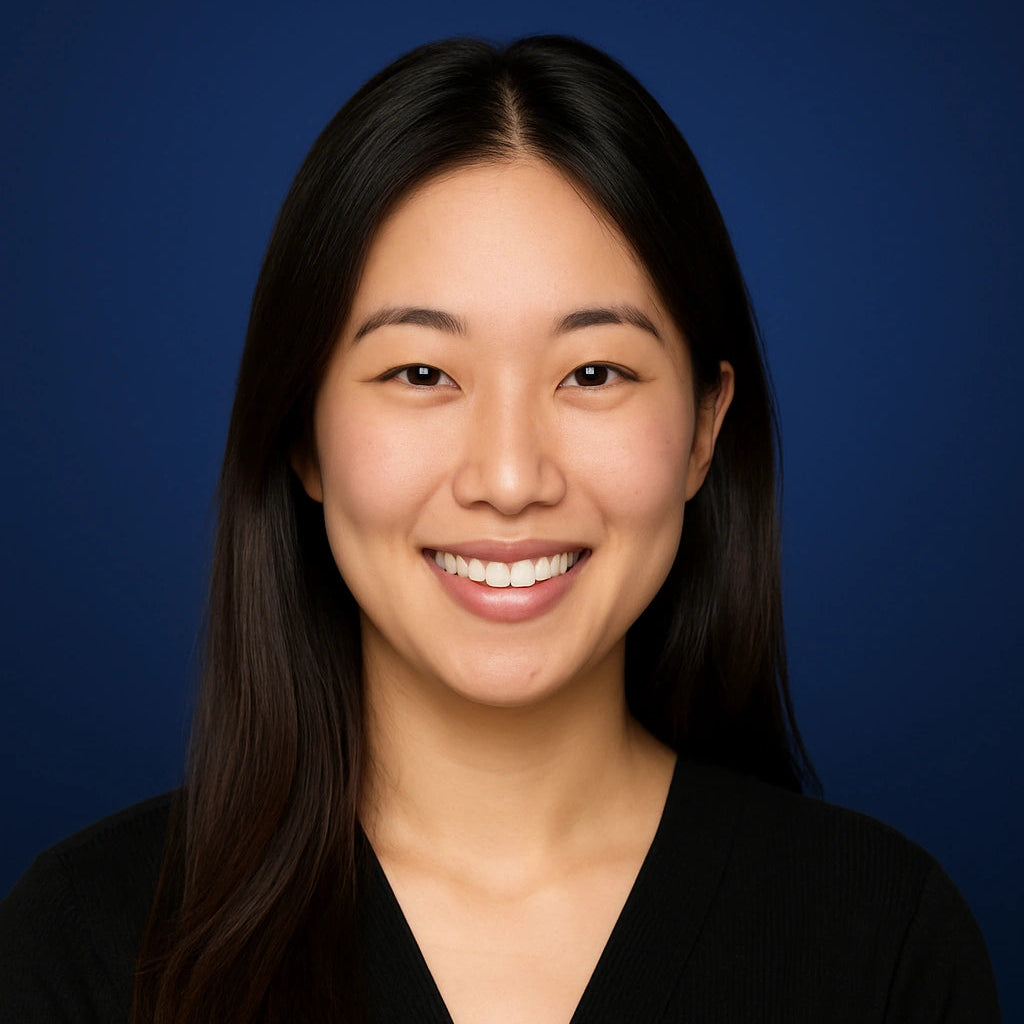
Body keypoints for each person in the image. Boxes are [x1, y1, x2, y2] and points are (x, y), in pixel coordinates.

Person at [0, 35, 1001, 1024]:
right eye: (422, 374)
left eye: (594, 373)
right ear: (301, 435)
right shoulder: (92, 942)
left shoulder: (880, 942)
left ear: (703, 429)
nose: (511, 479)